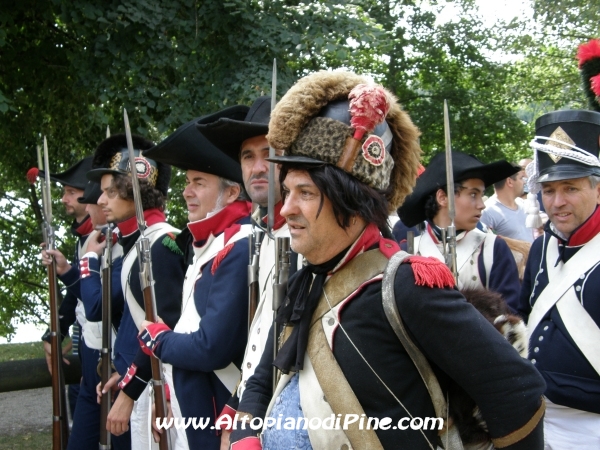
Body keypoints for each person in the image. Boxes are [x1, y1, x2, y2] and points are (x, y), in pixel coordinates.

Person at [229, 70, 545, 450]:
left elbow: (518, 389)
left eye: (305, 193)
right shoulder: (305, 281)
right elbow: (266, 374)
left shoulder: (405, 285)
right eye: (288, 192)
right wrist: (247, 434)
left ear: (351, 200)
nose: (287, 210)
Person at [125, 116, 253, 449]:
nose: (186, 191)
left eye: (199, 181)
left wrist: (159, 341)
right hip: (193, 404)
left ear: (232, 192)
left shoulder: (238, 247)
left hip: (217, 407)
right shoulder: (210, 245)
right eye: (186, 181)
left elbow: (212, 347)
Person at [197, 97, 301, 448]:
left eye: (269, 153)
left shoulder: (309, 242)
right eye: (247, 156)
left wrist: (249, 418)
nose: (258, 167)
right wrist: (237, 401)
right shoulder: (265, 237)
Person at [85, 134, 185, 450]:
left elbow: (165, 326)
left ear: (137, 190)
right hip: (147, 381)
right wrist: (127, 374)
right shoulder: (141, 243)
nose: (100, 201)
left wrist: (129, 392)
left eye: (111, 192)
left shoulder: (163, 243)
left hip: (165, 391)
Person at [518, 109, 600, 449]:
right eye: (549, 190)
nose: (557, 202)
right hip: (535, 419)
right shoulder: (540, 249)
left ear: (598, 189)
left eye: (570, 188)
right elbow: (523, 317)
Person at [398, 151, 522, 311]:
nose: (481, 204)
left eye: (481, 195)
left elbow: (510, 315)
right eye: (473, 194)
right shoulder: (409, 252)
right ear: (442, 197)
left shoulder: (493, 248)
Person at [35, 157, 95, 446]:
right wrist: (55, 331)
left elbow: (95, 299)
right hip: (87, 351)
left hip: (100, 358)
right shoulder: (82, 238)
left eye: (72, 192)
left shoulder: (102, 237)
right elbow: (77, 296)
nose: (64, 199)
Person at [481, 166, 534, 243]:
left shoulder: (523, 203)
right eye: (521, 178)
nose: (524, 182)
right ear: (509, 182)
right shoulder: (487, 211)